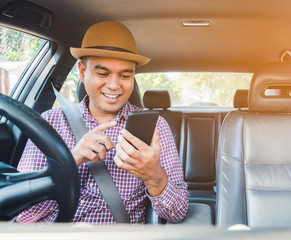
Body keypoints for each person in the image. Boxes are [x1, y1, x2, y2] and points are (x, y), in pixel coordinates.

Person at [15, 21, 189, 224]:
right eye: (102, 73)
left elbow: (178, 212)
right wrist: (70, 162)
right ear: (82, 71)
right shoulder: (50, 122)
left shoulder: (155, 127)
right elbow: (21, 214)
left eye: (125, 75)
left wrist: (153, 177)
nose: (114, 85)